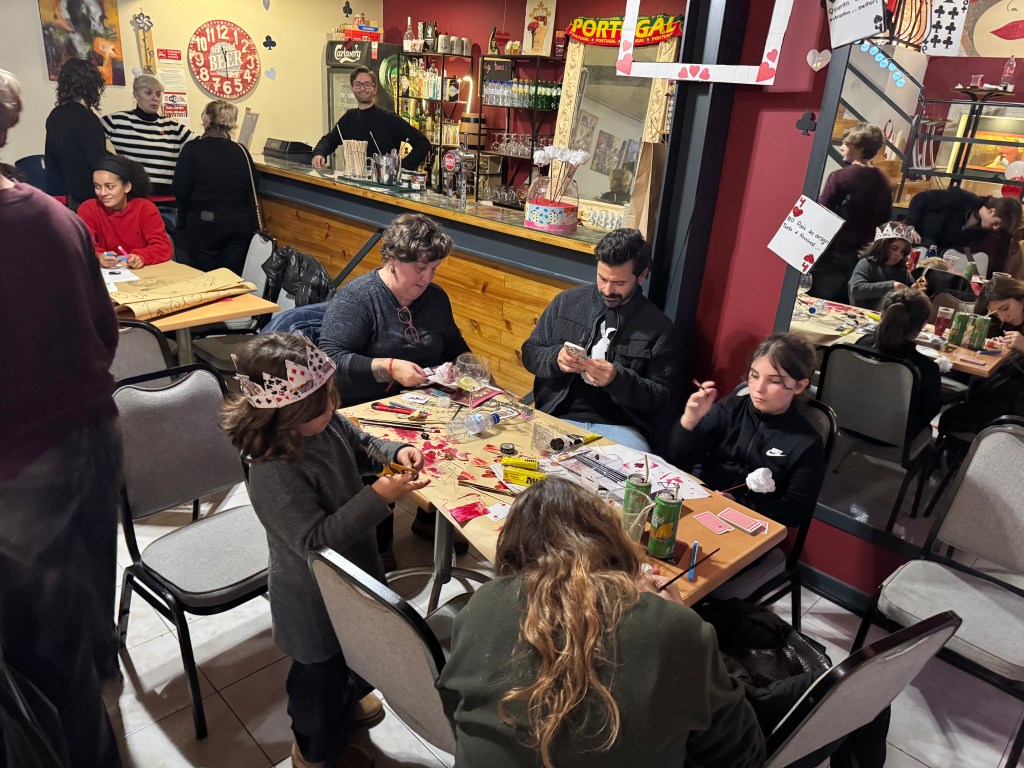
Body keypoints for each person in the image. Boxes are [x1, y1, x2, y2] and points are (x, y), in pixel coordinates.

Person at [437, 477, 765, 768]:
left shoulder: (484, 603)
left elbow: (454, 706)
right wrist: (678, 617)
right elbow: (741, 755)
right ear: (610, 538)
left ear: (514, 550)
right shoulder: (676, 626)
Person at [223, 333, 430, 768]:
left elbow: (361, 442)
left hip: (353, 574)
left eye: (331, 399)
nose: (332, 409)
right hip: (312, 599)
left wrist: (396, 451)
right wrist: (378, 496)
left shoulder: (325, 421)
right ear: (284, 414)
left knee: (355, 653)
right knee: (319, 680)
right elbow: (313, 543)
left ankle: (348, 701)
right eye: (320, 407)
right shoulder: (273, 469)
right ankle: (314, 753)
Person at [0, 68, 122, 767]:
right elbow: (104, 335)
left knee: (44, 664)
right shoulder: (57, 217)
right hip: (91, 437)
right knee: (85, 615)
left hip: (18, 469)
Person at [521, 228, 680, 452]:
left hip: (621, 428)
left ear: (642, 275)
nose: (607, 290)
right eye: (602, 278)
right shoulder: (567, 303)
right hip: (557, 415)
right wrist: (555, 358)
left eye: (619, 283)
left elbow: (663, 399)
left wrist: (617, 379)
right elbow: (530, 352)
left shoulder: (660, 329)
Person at [670, 334, 825, 528]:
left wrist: (737, 504)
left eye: (774, 381)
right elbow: (679, 458)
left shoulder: (806, 442)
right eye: (754, 375)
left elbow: (794, 512)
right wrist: (690, 421)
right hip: (703, 502)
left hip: (750, 524)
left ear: (799, 386)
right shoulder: (730, 408)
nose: (758, 388)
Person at [319, 213, 470, 404]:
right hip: (366, 404)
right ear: (392, 259)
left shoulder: (435, 298)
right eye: (420, 268)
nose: (427, 278)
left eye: (434, 269)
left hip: (427, 400)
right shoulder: (357, 298)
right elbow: (330, 360)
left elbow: (453, 347)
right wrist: (390, 369)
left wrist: (471, 365)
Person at [809, 124, 893, 303]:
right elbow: (884, 222)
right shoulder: (883, 182)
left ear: (860, 148)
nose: (842, 147)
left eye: (846, 144)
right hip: (862, 258)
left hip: (832, 255)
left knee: (815, 303)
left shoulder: (839, 177)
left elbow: (823, 214)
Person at [172, 100, 256, 274]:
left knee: (204, 278)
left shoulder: (193, 149)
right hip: (240, 225)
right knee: (231, 277)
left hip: (206, 223)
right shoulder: (242, 151)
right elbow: (252, 185)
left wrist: (185, 219)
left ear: (207, 119)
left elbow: (180, 190)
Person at [939, 276, 1024, 437]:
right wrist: (1002, 347)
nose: (1003, 317)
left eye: (1005, 308)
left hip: (1014, 404)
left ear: (1020, 297)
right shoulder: (1006, 323)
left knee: (953, 417)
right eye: (997, 314)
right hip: (998, 390)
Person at [855, 289, 941, 438]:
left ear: (883, 315)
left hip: (849, 424)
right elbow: (927, 413)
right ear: (922, 325)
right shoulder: (926, 369)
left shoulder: (861, 345)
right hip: (893, 438)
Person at [311, 66, 430, 171]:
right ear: (352, 88)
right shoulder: (349, 117)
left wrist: (400, 168)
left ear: (375, 89)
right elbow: (329, 140)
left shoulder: (389, 118)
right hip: (353, 183)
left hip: (382, 185)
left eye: (367, 84)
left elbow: (423, 143)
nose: (362, 88)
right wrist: (319, 154)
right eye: (358, 84)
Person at [101, 74, 193, 194]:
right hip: (132, 197)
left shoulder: (173, 127)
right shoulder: (117, 121)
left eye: (158, 94)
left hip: (166, 197)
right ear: (136, 95)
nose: (155, 98)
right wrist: (115, 162)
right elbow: (89, 137)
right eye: (148, 93)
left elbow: (201, 147)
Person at [78, 155, 173, 268]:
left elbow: (163, 247)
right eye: (97, 187)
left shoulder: (145, 208)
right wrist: (98, 257)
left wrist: (142, 256)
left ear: (127, 187)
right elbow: (82, 246)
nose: (103, 193)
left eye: (110, 187)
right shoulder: (89, 209)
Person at [44, 58, 109, 211]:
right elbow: (98, 161)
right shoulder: (87, 118)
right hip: (85, 197)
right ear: (93, 85)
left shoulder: (55, 115)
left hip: (59, 195)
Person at [907, 188, 1022, 273]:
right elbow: (919, 199)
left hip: (939, 264)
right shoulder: (960, 198)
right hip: (920, 244)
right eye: (996, 223)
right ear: (991, 211)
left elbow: (963, 251)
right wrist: (911, 228)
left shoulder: (982, 231)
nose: (996, 228)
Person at [848, 221, 917, 310]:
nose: (898, 254)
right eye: (894, 248)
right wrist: (892, 286)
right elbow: (856, 290)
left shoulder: (901, 269)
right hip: (861, 314)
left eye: (903, 251)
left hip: (889, 316)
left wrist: (916, 289)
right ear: (882, 246)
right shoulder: (866, 264)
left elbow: (912, 286)